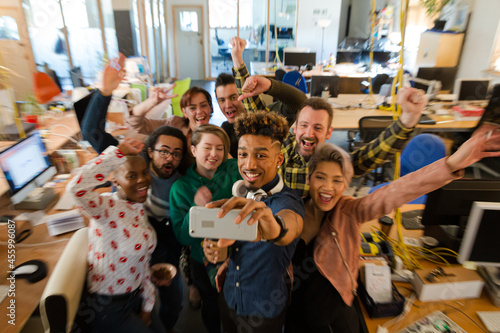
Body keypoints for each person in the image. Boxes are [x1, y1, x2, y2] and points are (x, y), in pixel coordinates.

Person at [284, 128, 500, 332]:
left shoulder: (349, 211)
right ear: (309, 178)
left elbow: (397, 191)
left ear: (345, 185)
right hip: (291, 311)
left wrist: (451, 164)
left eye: (337, 181)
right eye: (320, 177)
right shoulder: (292, 210)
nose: (327, 188)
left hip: (333, 315)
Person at [228, 36, 424, 197]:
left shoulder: (333, 162)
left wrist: (408, 119)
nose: (309, 133)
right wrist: (238, 62)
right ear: (294, 128)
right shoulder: (280, 146)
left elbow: (372, 154)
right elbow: (252, 105)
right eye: (304, 125)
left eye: (318, 128)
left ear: (329, 132)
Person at [80, 54, 188, 332]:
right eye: (163, 151)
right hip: (120, 261)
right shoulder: (132, 163)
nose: (169, 159)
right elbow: (92, 132)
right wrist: (104, 92)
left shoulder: (183, 176)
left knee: (173, 303)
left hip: (161, 245)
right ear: (149, 151)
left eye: (176, 154)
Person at [204, 111, 305, 333]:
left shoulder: (288, 201)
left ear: (279, 159)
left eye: (260, 156)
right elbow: (227, 251)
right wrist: (216, 252)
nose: (249, 164)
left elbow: (289, 224)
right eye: (242, 154)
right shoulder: (240, 197)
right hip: (230, 298)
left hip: (263, 312)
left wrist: (275, 228)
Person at [67, 138, 163, 333]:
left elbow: (142, 262)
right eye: (132, 176)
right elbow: (75, 188)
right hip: (108, 307)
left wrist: (148, 303)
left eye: (144, 172)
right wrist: (116, 153)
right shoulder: (104, 208)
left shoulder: (136, 207)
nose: (142, 180)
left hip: (136, 296)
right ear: (116, 182)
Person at [169, 124, 239, 333]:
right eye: (207, 147)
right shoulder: (180, 188)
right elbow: (182, 236)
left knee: (237, 306)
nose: (214, 154)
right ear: (193, 150)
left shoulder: (234, 169)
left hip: (238, 256)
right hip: (203, 260)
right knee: (211, 307)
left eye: (220, 148)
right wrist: (195, 210)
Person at [126, 85, 213, 157]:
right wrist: (151, 101)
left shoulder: (216, 136)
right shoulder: (174, 124)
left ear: (210, 108)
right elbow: (136, 123)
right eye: (192, 108)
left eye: (203, 105)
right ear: (184, 112)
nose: (199, 111)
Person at [215, 73, 247, 157]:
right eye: (222, 100)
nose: (227, 105)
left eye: (233, 98)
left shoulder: (261, 127)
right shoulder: (226, 128)